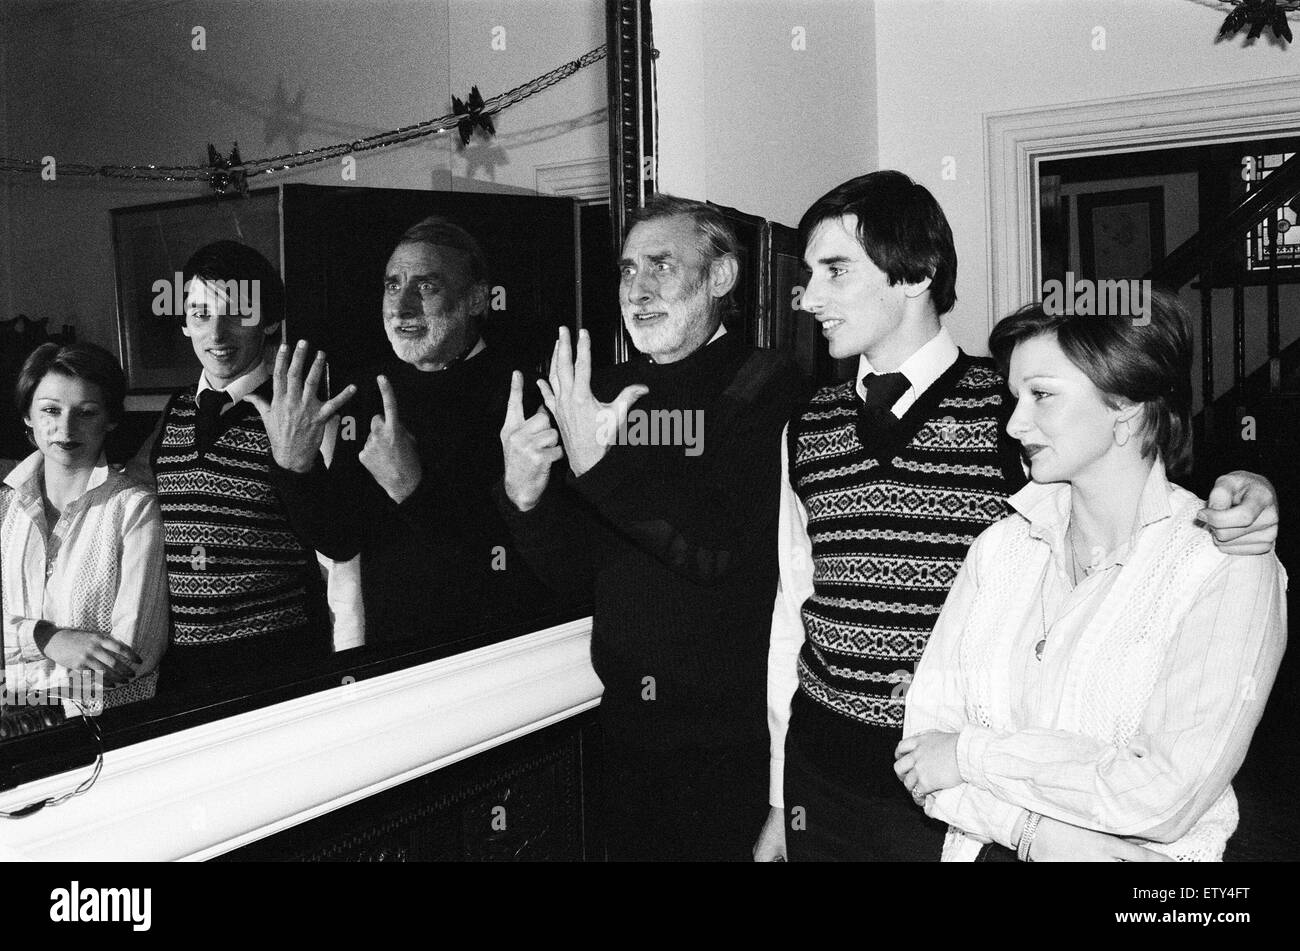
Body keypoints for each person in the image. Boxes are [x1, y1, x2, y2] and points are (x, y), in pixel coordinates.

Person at [755, 170, 1280, 862]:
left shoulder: (1008, 414)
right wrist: (777, 787)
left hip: (960, 804)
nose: (808, 295)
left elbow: (1133, 497)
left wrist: (1250, 494)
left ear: (915, 273)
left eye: (835, 270)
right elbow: (793, 606)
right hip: (837, 769)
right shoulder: (809, 425)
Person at [895, 294, 1286, 862]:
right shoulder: (1000, 549)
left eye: (1042, 395)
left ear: (1125, 405)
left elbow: (1163, 797)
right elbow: (922, 755)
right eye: (1015, 397)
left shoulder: (1225, 563)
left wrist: (971, 757)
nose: (1014, 423)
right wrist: (1042, 835)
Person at [497, 194, 808, 861]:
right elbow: (572, 573)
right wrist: (525, 496)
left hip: (736, 749)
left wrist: (599, 465)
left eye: (661, 266)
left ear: (720, 278)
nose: (636, 290)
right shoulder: (598, 391)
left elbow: (715, 551)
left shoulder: (771, 384)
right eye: (628, 269)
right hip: (622, 739)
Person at [257, 216, 546, 645]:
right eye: (393, 285)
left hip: (492, 655)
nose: (401, 306)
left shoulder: (523, 395)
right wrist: (294, 466)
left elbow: (513, 562)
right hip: (391, 660)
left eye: (427, 286)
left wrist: (412, 490)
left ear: (476, 299)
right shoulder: (369, 392)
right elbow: (339, 540)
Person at [130, 241, 330, 694]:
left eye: (236, 313)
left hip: (277, 663)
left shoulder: (300, 413)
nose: (216, 334)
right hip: (182, 667)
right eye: (201, 314)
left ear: (270, 322)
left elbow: (338, 544)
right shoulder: (175, 412)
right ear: (185, 322)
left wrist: (298, 467)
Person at [2, 343, 167, 713]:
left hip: (111, 734)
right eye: (50, 410)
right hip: (14, 739)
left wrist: (10, 686)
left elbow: (131, 661)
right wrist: (47, 638)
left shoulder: (134, 508)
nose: (66, 427)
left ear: (110, 419)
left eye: (86, 412)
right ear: (27, 415)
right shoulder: (4, 508)